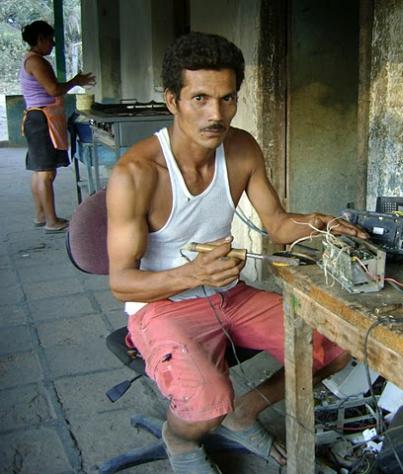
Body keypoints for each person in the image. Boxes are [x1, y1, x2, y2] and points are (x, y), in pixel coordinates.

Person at [106, 32, 368, 473]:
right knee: (206, 406)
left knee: (335, 346)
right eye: (200, 99)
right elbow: (120, 283)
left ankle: (244, 413)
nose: (216, 115)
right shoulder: (136, 173)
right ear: (172, 100)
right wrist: (194, 275)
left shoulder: (242, 148)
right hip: (161, 305)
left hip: (228, 295)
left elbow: (278, 226)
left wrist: (320, 223)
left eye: (227, 99)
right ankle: (180, 439)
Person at [20, 20, 95, 232]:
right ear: (41, 38)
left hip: (36, 117)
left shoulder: (31, 59)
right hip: (41, 119)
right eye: (50, 39)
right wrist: (75, 81)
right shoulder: (36, 61)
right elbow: (53, 90)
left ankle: (41, 215)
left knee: (40, 171)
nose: (53, 44)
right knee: (46, 173)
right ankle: (51, 221)